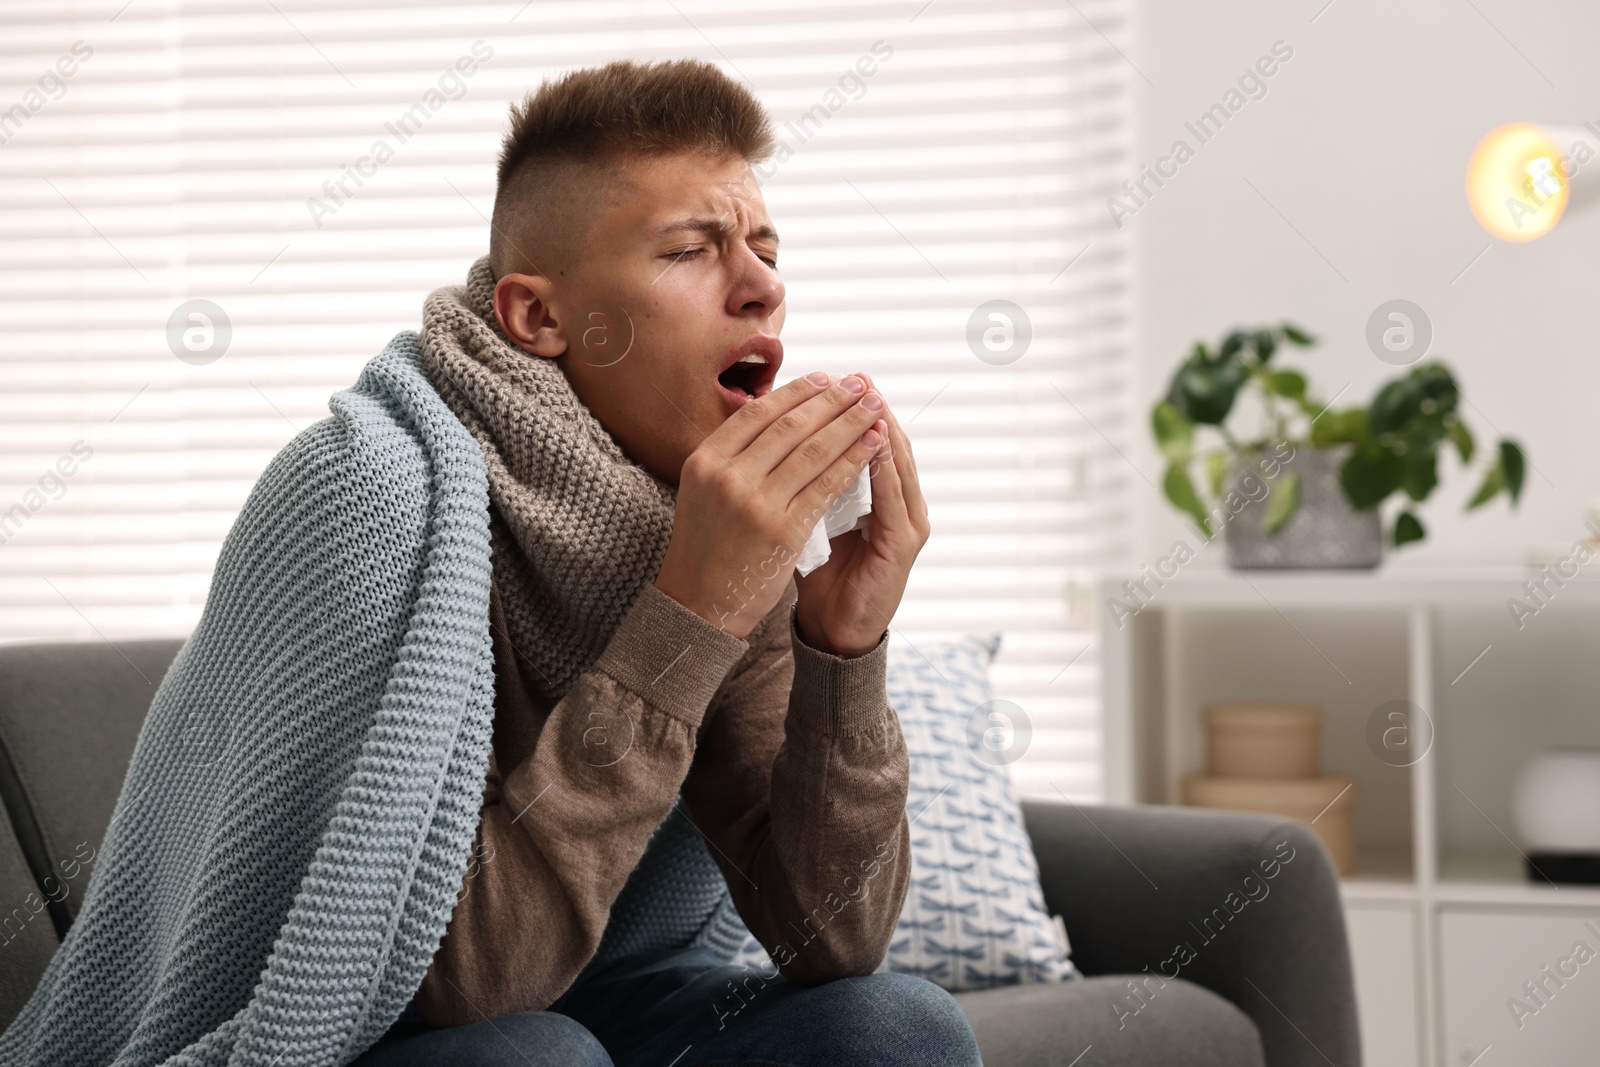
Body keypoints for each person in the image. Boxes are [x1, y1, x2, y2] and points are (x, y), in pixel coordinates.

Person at [349, 56, 981, 1067]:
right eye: (692, 249)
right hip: (389, 1022)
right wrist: (688, 612)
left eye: (767, 250)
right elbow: (468, 984)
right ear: (540, 317)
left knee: (897, 1021)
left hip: (626, 994)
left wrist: (841, 641)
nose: (765, 287)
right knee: (535, 1056)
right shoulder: (380, 491)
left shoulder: (716, 521)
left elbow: (835, 939)